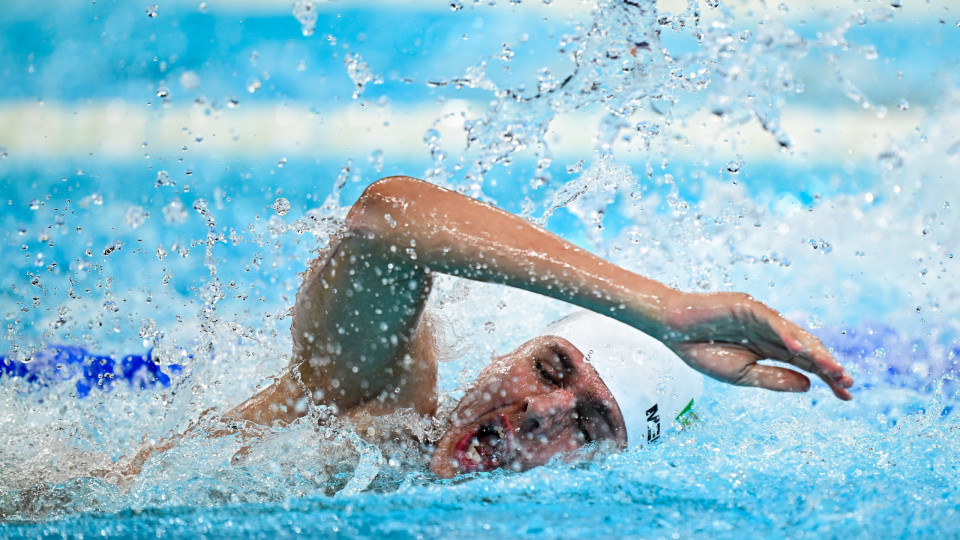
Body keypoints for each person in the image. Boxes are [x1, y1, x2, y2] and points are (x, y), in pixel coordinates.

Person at [127, 176, 854, 479]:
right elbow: (387, 218)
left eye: (591, 424)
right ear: (512, 349)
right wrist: (661, 312)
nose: (539, 414)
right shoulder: (369, 405)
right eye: (550, 368)